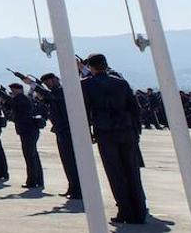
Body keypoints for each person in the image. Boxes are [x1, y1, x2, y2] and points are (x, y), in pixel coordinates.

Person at [80, 54, 147, 224]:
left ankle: (125, 211)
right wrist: (136, 131)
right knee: (132, 171)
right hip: (126, 130)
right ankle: (140, 211)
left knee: (115, 172)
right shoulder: (121, 83)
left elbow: (84, 111)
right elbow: (135, 109)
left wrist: (87, 133)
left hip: (105, 131)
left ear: (91, 67)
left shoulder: (86, 84)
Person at [30, 74, 80, 199]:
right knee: (66, 161)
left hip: (67, 130)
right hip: (60, 130)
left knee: (71, 161)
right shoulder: (54, 93)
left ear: (55, 79)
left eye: (49, 82)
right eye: (46, 83)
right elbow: (48, 100)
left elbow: (51, 97)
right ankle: (72, 187)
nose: (47, 85)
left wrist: (33, 85)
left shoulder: (62, 91)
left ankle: (78, 190)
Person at [9, 82, 43, 189]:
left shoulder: (21, 99)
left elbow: (11, 104)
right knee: (33, 155)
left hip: (28, 130)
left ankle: (32, 181)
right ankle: (38, 180)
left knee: (30, 156)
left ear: (19, 90)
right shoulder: (22, 99)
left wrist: (3, 96)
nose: (13, 92)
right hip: (29, 130)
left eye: (14, 90)